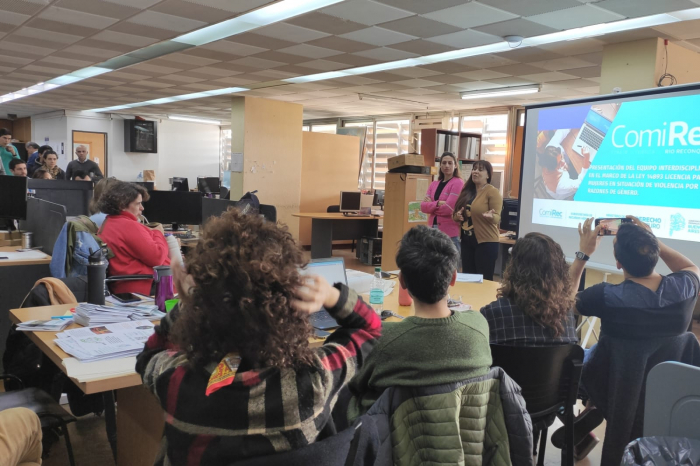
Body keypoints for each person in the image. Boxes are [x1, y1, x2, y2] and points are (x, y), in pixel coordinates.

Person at [135, 210, 381, 464]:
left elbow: (149, 355)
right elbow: (370, 329)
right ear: (287, 304)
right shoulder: (311, 382)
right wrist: (332, 296)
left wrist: (191, 302)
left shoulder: (178, 385)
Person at [346, 225, 491, 422]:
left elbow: (351, 381)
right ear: (453, 278)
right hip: (461, 441)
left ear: (402, 282)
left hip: (388, 444)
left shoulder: (379, 340)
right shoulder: (478, 326)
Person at [572, 216, 699, 340]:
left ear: (618, 263)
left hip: (617, 362)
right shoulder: (684, 286)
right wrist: (653, 240)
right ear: (656, 252)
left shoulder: (606, 296)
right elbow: (690, 266)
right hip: (669, 361)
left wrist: (584, 253)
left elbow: (563, 303)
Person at [481, 232, 578, 346]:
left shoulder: (493, 312)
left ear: (513, 267)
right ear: (559, 271)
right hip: (552, 364)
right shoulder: (566, 314)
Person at [97, 181, 170, 295]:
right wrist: (158, 233)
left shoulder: (109, 223)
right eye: (138, 204)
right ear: (122, 205)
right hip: (144, 286)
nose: (142, 208)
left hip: (128, 284)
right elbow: (157, 257)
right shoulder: (127, 226)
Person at [453, 160, 503, 281]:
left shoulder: (492, 192)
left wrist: (491, 217)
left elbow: (497, 217)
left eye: (480, 170)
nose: (475, 172)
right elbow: (455, 215)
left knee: (483, 279)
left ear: (488, 175)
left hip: (486, 242)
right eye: (474, 169)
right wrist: (457, 216)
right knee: (468, 278)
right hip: (466, 240)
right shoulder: (467, 191)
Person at [420, 152, 464, 252]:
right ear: (440, 165)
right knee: (433, 265)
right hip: (432, 231)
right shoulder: (434, 184)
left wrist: (431, 205)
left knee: (450, 266)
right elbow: (422, 207)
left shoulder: (458, 182)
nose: (446, 166)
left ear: (455, 165)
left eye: (450, 163)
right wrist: (438, 203)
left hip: (449, 233)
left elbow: (449, 209)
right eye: (444, 163)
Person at [538, 129, 592, 200]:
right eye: (559, 164)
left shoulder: (550, 150)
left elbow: (560, 133)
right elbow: (580, 183)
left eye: (561, 157)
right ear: (554, 168)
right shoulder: (560, 185)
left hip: (564, 175)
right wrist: (586, 158)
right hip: (563, 192)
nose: (563, 163)